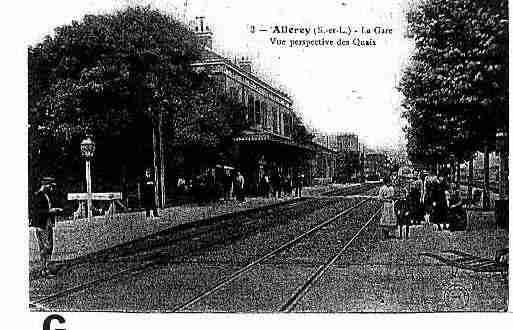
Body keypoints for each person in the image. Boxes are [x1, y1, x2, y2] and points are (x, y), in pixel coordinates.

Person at [31, 177, 63, 277]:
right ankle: (46, 269)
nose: (51, 189)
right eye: (50, 186)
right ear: (45, 185)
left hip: (46, 223)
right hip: (42, 225)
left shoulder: (45, 195)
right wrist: (52, 211)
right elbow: (37, 212)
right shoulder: (38, 196)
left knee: (47, 247)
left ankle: (44, 268)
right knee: (46, 248)